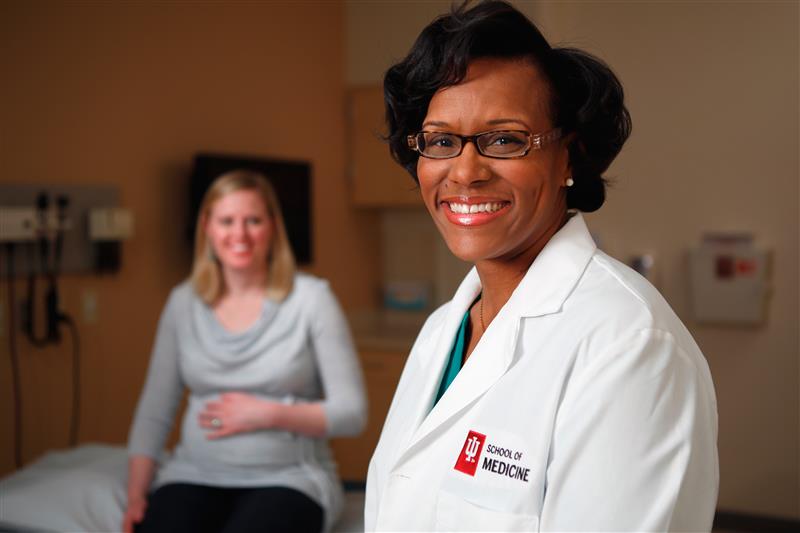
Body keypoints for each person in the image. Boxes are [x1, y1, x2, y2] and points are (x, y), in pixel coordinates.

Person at [365, 1, 718, 531]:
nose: (465, 172)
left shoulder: (628, 344)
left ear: (568, 158)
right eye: (441, 141)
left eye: (504, 139)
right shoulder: (443, 331)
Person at [123, 170, 367, 533]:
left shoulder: (311, 299)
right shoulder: (182, 303)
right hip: (193, 475)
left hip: (289, 480)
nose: (239, 234)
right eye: (226, 221)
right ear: (207, 226)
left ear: (272, 227)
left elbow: (353, 413)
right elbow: (154, 412)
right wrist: (136, 497)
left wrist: (267, 414)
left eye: (253, 220)